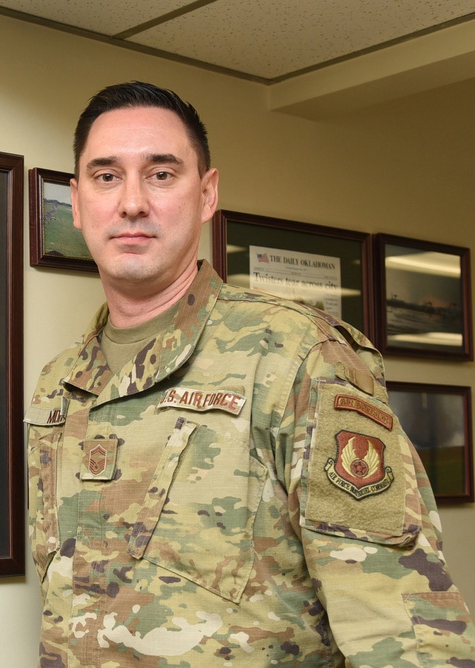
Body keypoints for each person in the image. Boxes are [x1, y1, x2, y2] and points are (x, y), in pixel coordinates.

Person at [25, 80, 475, 666]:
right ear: (78, 201)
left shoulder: (296, 356)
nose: (131, 201)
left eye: (161, 174)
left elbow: (405, 631)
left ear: (207, 194)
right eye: (107, 176)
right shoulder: (58, 383)